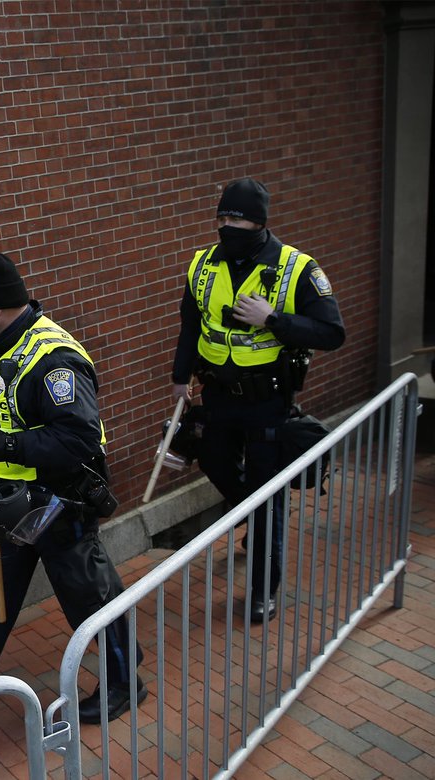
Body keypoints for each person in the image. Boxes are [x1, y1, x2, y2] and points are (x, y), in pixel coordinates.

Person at [0, 252, 145, 724]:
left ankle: (124, 684)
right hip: (11, 504)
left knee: (90, 596)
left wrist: (7, 446)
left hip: (60, 506)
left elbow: (79, 440)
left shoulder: (53, 358)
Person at [170, 178, 345, 622]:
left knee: (268, 497)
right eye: (222, 217)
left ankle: (264, 589)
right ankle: (255, 515)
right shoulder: (202, 265)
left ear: (260, 222)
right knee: (214, 461)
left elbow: (332, 333)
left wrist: (273, 320)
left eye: (237, 218)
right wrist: (179, 379)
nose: (227, 225)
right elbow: (191, 325)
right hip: (216, 396)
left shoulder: (297, 268)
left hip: (268, 401)